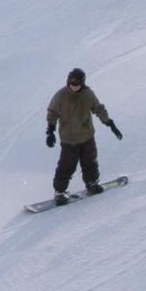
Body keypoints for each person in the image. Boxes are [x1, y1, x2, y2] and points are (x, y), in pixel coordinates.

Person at [45, 67, 122, 204]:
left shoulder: (88, 95)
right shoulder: (61, 96)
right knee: (67, 165)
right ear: (68, 81)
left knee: (90, 161)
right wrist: (50, 130)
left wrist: (109, 123)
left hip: (87, 136)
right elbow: (52, 112)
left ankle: (91, 183)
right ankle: (60, 192)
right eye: (72, 83)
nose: (74, 86)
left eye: (78, 84)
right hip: (69, 139)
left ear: (83, 83)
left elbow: (98, 108)